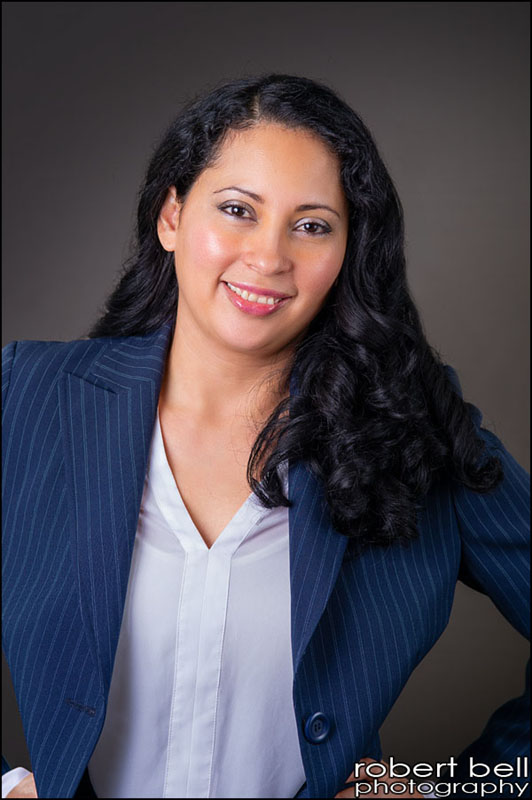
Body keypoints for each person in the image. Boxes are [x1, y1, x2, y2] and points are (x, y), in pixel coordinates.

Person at [2, 73, 529, 800]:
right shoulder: (27, 396)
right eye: (237, 210)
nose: (269, 256)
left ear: (348, 251)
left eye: (312, 225)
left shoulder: (414, 428)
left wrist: (447, 787)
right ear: (171, 217)